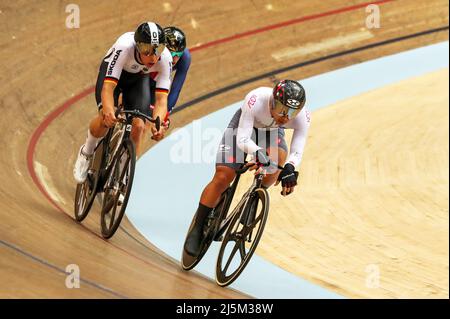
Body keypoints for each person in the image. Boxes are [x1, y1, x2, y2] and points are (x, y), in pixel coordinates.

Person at [183, 79, 311, 257]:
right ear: (273, 101)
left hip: (272, 133)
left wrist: (289, 167)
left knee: (278, 163)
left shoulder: (302, 116)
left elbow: (298, 149)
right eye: (283, 109)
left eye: (292, 112)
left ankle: (255, 196)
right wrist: (257, 152)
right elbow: (242, 139)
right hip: (243, 130)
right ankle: (197, 228)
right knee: (223, 177)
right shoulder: (256, 99)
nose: (286, 116)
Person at [73, 22, 172, 184]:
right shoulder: (124, 47)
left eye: (157, 50)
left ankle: (123, 170)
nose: (153, 57)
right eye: (147, 50)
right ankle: (87, 151)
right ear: (138, 47)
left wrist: (159, 124)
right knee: (105, 118)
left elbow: (161, 100)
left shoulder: (165, 58)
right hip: (113, 78)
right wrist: (108, 110)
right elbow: (108, 88)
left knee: (139, 126)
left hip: (138, 81)